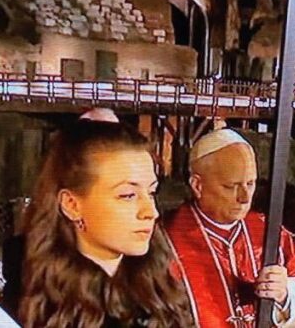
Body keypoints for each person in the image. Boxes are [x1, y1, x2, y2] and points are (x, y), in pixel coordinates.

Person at [18, 119, 193, 328]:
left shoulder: (162, 290)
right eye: (128, 195)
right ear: (72, 204)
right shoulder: (34, 299)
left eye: (151, 192)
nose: (151, 212)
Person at [164, 128, 295, 328]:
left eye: (251, 183)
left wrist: (284, 295)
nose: (245, 197)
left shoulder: (267, 231)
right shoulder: (166, 240)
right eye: (231, 186)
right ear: (197, 185)